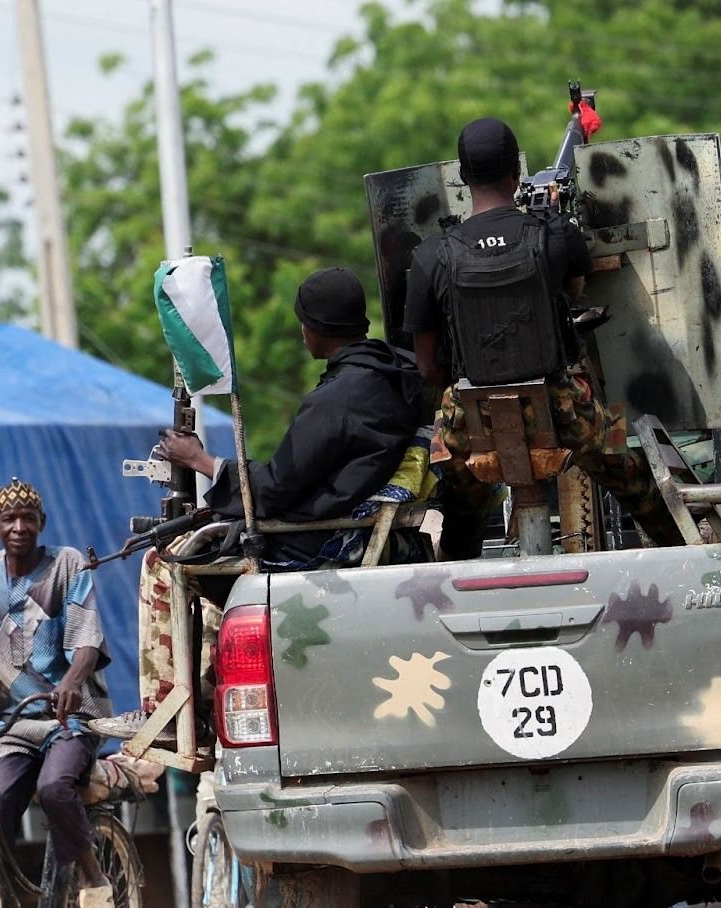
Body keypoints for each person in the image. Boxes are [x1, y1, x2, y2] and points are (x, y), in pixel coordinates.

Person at [95, 267, 426, 741]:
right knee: (208, 556)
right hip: (346, 523)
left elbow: (272, 489)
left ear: (311, 328)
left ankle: (163, 713)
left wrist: (204, 461)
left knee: (162, 559)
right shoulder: (393, 373)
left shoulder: (340, 397)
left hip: (318, 540)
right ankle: (205, 700)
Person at [402, 116, 683, 558]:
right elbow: (573, 295)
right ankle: (681, 549)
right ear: (516, 170)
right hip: (565, 410)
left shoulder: (431, 255)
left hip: (470, 427)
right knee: (628, 462)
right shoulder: (555, 233)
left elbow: (426, 367)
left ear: (462, 176)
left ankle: (457, 570)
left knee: (458, 501)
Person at [0, 479, 152, 908]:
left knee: (54, 788)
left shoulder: (66, 564)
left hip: (69, 720)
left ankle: (93, 878)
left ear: (42, 524)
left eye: (28, 518)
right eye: (9, 519)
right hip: (13, 724)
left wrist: (71, 683)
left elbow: (88, 639)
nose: (19, 527)